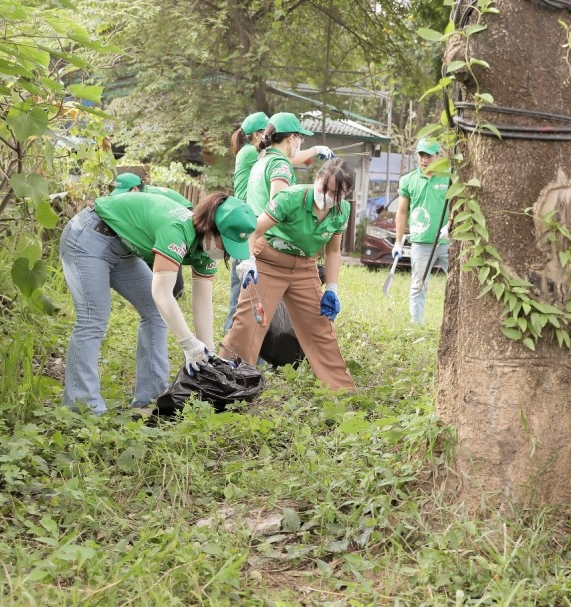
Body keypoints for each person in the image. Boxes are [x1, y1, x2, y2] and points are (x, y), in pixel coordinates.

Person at [59, 191, 255, 414]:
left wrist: (207, 351)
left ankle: (148, 399)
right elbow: (162, 292)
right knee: (93, 318)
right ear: (210, 227)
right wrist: (188, 343)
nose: (225, 252)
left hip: (124, 248)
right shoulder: (177, 230)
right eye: (225, 243)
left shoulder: (206, 249)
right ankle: (82, 407)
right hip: (90, 236)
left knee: (156, 313)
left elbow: (202, 300)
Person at [219, 159, 355, 390]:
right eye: (324, 188)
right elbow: (254, 230)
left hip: (304, 267)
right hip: (268, 261)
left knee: (320, 326)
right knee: (249, 322)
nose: (328, 196)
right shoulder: (290, 198)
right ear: (316, 180)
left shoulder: (342, 211)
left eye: (335, 193)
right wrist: (248, 261)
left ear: (346, 193)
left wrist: (332, 287)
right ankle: (230, 384)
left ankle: (342, 390)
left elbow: (333, 250)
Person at [392, 138, 451, 325]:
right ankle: (416, 324)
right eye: (421, 155)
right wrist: (398, 242)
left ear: (437, 156)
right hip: (421, 243)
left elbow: (459, 205)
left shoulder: (449, 177)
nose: (424, 160)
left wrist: (449, 225)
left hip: (448, 242)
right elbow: (401, 212)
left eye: (429, 156)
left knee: (460, 283)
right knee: (418, 285)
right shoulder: (408, 180)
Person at [225, 111, 270, 332]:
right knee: (242, 291)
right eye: (268, 132)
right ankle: (229, 348)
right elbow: (285, 159)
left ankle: (248, 350)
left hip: (246, 220)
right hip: (244, 222)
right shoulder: (251, 153)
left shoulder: (253, 152)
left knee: (250, 289)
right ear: (256, 135)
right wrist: (314, 150)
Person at [111, 172, 193, 208]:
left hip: (186, 211)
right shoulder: (143, 192)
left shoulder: (151, 196)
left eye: (124, 194)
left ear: (135, 189)